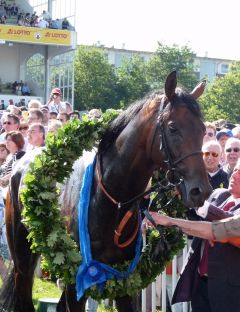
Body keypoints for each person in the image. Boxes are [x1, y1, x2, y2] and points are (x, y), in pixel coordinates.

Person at [149, 158, 240, 312]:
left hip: (230, 292)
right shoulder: (218, 194)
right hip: (201, 284)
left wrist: (171, 220)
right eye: (236, 170)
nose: (236, 175)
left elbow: (215, 228)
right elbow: (199, 223)